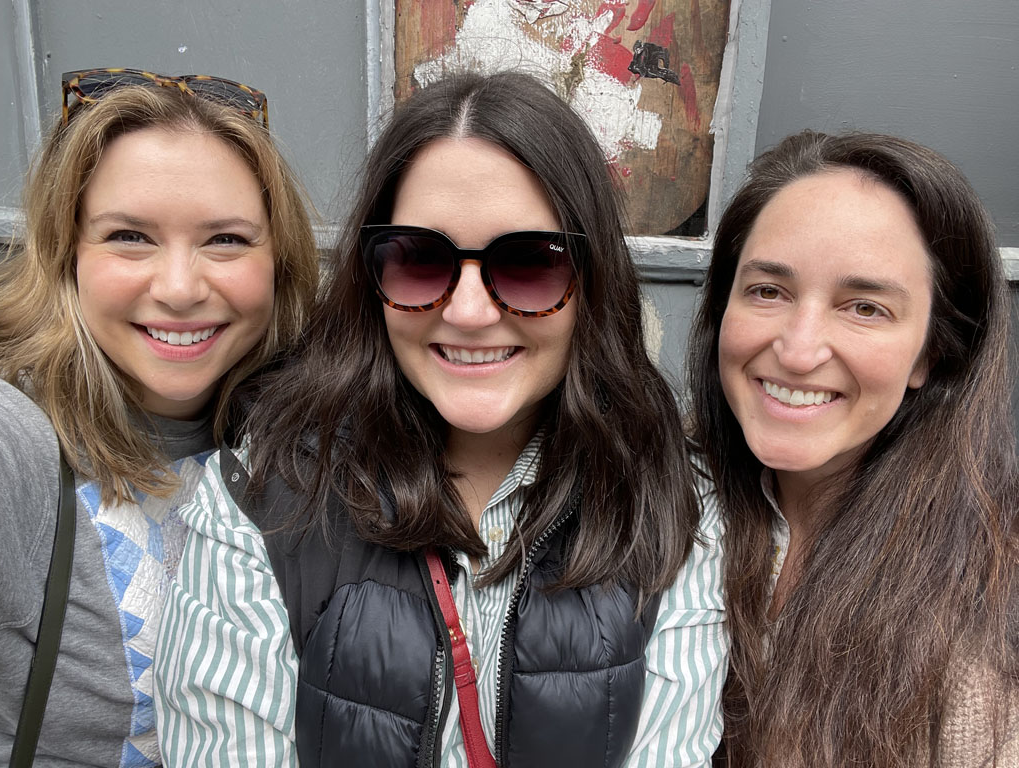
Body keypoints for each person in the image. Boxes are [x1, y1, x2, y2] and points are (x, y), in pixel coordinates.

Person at [155, 71, 727, 766]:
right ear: (374, 280)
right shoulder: (260, 496)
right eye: (420, 261)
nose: (468, 312)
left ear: (592, 281)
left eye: (527, 265)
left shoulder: (677, 503)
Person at [0, 70, 318, 766]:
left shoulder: (308, 441)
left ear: (279, 261)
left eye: (226, 240)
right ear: (66, 252)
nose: (178, 288)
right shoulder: (16, 444)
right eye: (130, 236)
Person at [688, 130, 1019, 767]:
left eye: (864, 307)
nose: (799, 349)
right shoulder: (665, 500)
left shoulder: (990, 619)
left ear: (931, 351)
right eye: (767, 291)